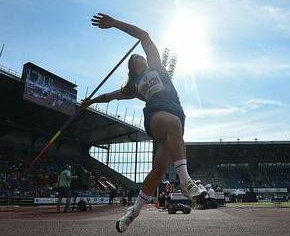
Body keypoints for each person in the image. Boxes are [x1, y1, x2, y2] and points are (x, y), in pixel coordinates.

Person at [82, 12, 207, 233]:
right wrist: (91, 101)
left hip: (176, 113)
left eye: (140, 56)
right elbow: (111, 96)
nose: (139, 57)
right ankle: (187, 182)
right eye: (135, 58)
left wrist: (115, 23)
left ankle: (132, 213)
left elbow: (144, 36)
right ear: (131, 67)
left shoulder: (157, 66)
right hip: (156, 116)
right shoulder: (134, 86)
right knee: (173, 125)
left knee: (158, 170)